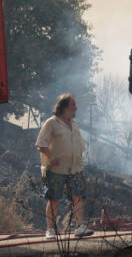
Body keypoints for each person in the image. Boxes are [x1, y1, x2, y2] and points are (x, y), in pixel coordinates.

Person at [36, 93, 93, 239]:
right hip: (57, 168)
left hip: (76, 167)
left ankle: (80, 227)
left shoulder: (74, 124)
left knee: (78, 196)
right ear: (64, 108)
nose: (76, 108)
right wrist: (51, 157)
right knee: (54, 198)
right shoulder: (52, 123)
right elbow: (41, 144)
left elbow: (79, 144)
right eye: (73, 105)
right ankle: (50, 229)